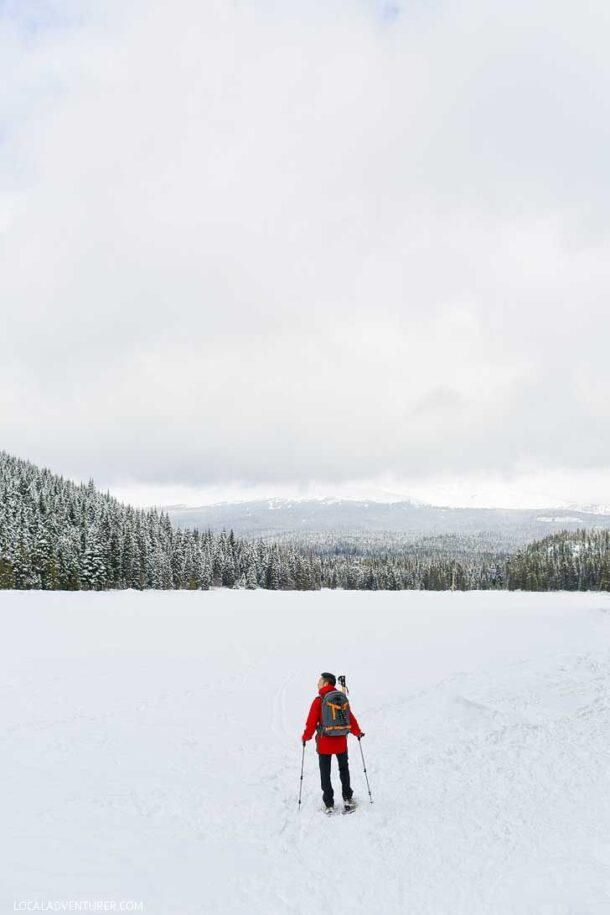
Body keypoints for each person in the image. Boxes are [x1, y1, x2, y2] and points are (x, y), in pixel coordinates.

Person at [301, 672, 364, 812]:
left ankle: (329, 804)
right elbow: (350, 718)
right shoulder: (341, 699)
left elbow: (311, 723)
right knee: (344, 769)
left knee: (325, 773)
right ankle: (347, 798)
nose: (317, 684)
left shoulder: (319, 700)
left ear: (326, 683)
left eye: (319, 682)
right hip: (341, 742)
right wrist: (357, 732)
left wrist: (306, 737)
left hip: (324, 743)